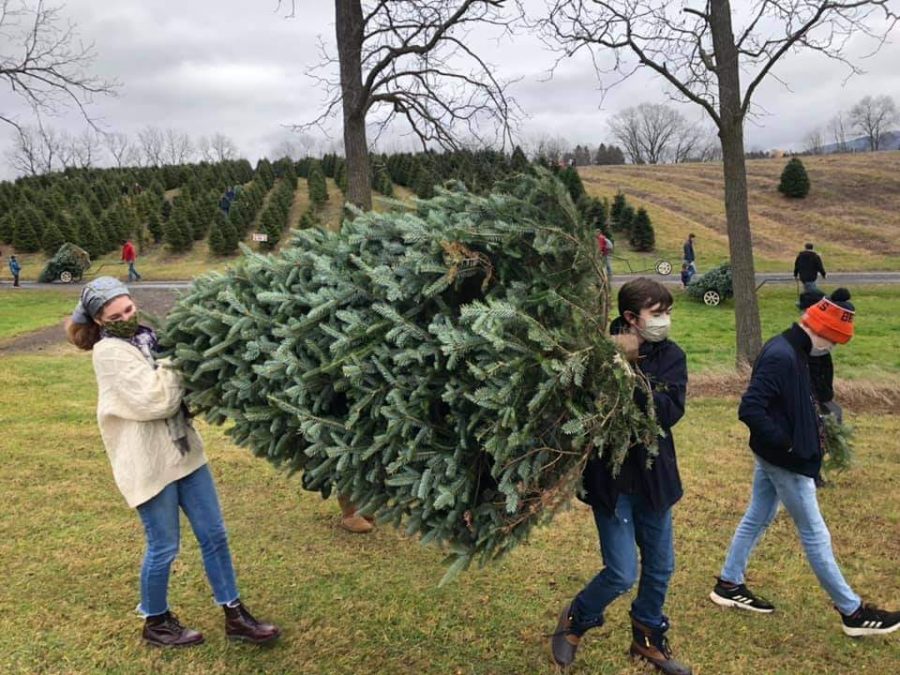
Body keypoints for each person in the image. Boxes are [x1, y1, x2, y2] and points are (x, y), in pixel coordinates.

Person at [65, 277, 280, 648]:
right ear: (99, 320)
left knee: (214, 534)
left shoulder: (149, 337)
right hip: (149, 463)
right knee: (163, 545)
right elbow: (156, 401)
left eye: (129, 309)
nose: (126, 317)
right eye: (115, 316)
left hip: (185, 454)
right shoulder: (110, 353)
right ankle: (156, 621)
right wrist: (178, 358)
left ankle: (235, 615)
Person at [709, 289, 900, 637]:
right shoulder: (783, 355)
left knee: (758, 515)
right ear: (822, 333)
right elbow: (750, 408)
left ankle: (728, 583)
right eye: (834, 343)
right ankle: (853, 613)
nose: (833, 350)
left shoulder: (793, 349)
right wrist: (790, 445)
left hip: (776, 457)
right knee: (815, 534)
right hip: (786, 462)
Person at [551, 278, 691, 675]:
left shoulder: (671, 356)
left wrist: (629, 377)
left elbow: (667, 412)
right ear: (631, 317)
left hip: (654, 480)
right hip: (611, 483)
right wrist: (610, 365)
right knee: (621, 571)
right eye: (656, 313)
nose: (664, 320)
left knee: (661, 566)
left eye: (667, 313)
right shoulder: (595, 354)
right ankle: (576, 619)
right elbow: (578, 410)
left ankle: (647, 637)